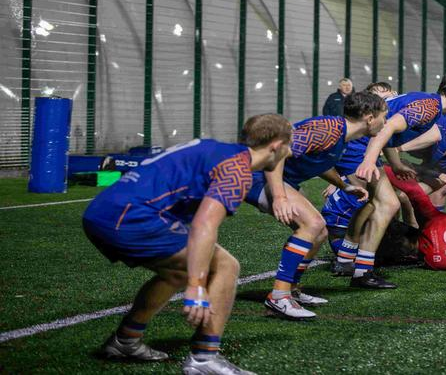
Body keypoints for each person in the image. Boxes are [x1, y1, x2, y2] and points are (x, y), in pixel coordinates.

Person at [82, 114, 293, 374]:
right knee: (225, 266)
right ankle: (204, 358)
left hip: (102, 212)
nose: (290, 152)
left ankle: (126, 340)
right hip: (130, 217)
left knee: (177, 271)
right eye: (288, 146)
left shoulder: (218, 150)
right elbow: (204, 225)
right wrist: (196, 285)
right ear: (275, 146)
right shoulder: (237, 169)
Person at [244, 92, 386, 319]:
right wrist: (279, 198)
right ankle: (278, 297)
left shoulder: (340, 135)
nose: (385, 122)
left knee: (320, 232)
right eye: (383, 117)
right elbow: (277, 152)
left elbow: (321, 162)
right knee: (312, 224)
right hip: (256, 176)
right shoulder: (329, 130)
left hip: (276, 178)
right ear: (370, 118)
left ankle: (291, 290)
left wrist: (344, 186)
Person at [334, 71, 446, 288]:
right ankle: (362, 272)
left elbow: (388, 133)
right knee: (388, 204)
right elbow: (387, 128)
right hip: (358, 148)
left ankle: (346, 260)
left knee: (373, 202)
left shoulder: (429, 104)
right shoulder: (429, 107)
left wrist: (396, 164)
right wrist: (369, 160)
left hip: (356, 146)